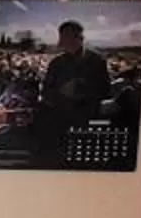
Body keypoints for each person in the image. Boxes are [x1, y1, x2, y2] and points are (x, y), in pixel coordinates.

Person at [38, 20, 111, 162]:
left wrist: (82, 89)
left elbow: (105, 90)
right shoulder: (56, 64)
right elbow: (46, 92)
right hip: (59, 117)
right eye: (62, 36)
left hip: (87, 117)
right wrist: (62, 92)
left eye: (66, 36)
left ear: (79, 38)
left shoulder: (97, 61)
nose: (61, 40)